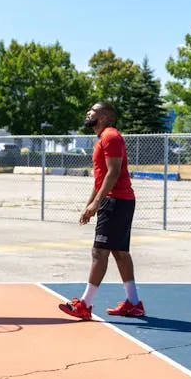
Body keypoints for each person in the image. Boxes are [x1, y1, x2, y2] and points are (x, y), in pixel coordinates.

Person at [59, 101, 145, 321]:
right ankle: (134, 303)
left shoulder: (110, 137)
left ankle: (85, 304)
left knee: (100, 252)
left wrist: (97, 203)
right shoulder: (103, 138)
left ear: (105, 116)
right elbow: (100, 179)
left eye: (93, 111)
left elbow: (113, 173)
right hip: (116, 201)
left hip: (116, 201)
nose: (88, 112)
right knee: (120, 253)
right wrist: (89, 205)